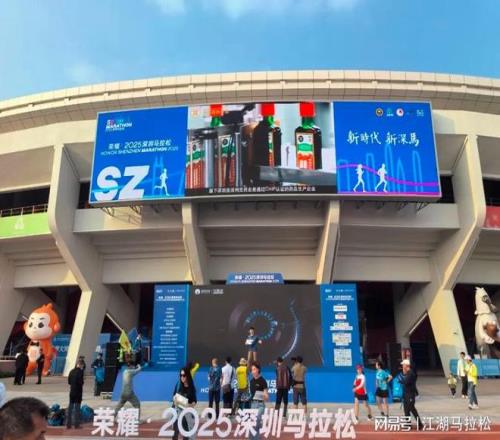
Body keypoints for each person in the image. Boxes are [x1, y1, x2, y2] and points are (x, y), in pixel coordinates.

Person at [172, 367, 197, 440]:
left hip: (186, 415)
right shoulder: (178, 385)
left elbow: (194, 401)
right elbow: (174, 397)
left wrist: (189, 405)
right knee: (175, 434)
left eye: (184, 375)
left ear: (188, 375)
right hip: (177, 413)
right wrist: (178, 401)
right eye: (181, 375)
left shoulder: (191, 387)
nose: (182, 377)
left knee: (186, 434)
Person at [397, 359, 422, 430]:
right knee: (406, 410)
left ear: (407, 365)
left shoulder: (411, 373)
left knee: (412, 409)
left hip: (410, 394)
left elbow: (406, 382)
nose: (402, 366)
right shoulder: (408, 372)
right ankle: (408, 424)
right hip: (406, 394)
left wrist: (400, 380)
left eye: (403, 365)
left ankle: (420, 424)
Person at [249, 362, 269, 440]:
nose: (253, 371)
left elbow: (266, 396)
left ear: (258, 370)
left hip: (260, 405)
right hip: (252, 404)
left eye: (254, 369)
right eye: (252, 370)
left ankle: (256, 438)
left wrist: (264, 396)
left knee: (257, 421)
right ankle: (251, 438)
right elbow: (251, 394)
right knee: (251, 422)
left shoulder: (263, 381)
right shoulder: (251, 381)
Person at [67, 360, 84, 429]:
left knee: (70, 408)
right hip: (78, 392)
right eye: (82, 365)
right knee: (77, 408)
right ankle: (76, 424)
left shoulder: (71, 371)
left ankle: (68, 424)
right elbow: (81, 382)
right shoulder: (80, 372)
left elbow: (69, 382)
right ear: (81, 365)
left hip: (72, 391)